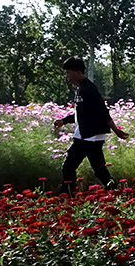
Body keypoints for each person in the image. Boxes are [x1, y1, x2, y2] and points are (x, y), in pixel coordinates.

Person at [53, 57, 129, 194]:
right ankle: (115, 192)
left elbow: (102, 110)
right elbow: (81, 113)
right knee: (99, 170)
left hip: (87, 137)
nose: (67, 76)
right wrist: (64, 120)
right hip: (91, 136)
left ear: (77, 72)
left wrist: (115, 129)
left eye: (68, 73)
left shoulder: (88, 89)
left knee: (68, 167)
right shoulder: (83, 89)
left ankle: (67, 195)